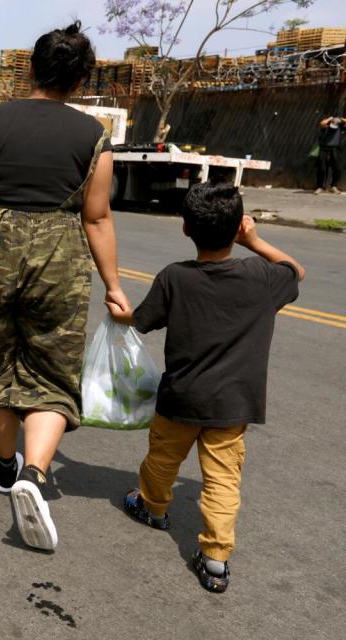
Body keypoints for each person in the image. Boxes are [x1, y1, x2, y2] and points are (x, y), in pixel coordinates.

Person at [0, 21, 130, 551]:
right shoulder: (93, 135)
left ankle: (6, 464)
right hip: (60, 252)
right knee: (51, 369)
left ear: (31, 69)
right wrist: (114, 285)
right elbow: (97, 218)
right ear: (80, 78)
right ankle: (36, 474)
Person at [108, 182, 305, 594]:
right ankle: (215, 560)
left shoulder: (174, 277)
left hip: (180, 397)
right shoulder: (262, 277)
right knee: (222, 481)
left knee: (163, 458)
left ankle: (152, 507)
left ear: (185, 229)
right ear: (238, 228)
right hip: (234, 404)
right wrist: (254, 240)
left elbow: (141, 319)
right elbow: (295, 270)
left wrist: (119, 314)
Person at [315, 115, 344, 195]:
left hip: (335, 149)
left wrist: (340, 119)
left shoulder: (340, 127)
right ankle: (320, 187)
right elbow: (321, 123)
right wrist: (330, 119)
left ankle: (333, 186)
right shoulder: (325, 127)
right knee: (322, 168)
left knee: (338, 168)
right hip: (324, 148)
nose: (333, 128)